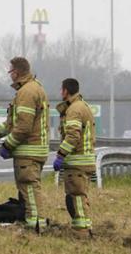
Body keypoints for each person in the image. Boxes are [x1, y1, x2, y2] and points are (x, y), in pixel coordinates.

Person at [0, 57, 49, 232]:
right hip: (34, 149)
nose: (9, 75)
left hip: (29, 151)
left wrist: (8, 145)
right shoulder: (32, 88)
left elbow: (23, 127)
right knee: (26, 189)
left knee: (29, 188)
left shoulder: (26, 92)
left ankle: (35, 225)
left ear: (16, 72)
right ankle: (31, 220)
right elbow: (11, 123)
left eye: (10, 71)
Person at [54, 78, 95, 237]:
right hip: (85, 161)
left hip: (77, 162)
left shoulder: (74, 109)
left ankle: (81, 232)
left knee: (76, 198)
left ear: (65, 91)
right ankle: (85, 229)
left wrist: (60, 155)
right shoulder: (83, 106)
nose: (60, 93)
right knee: (80, 198)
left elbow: (72, 136)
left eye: (61, 89)